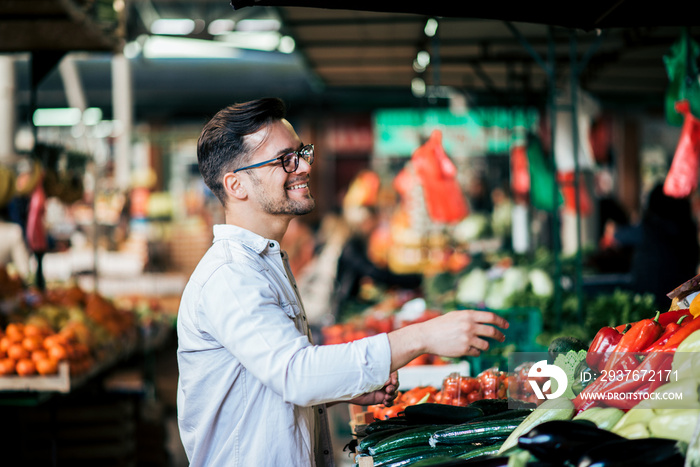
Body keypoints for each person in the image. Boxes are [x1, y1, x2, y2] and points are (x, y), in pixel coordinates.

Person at [176, 98, 509, 467]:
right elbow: (295, 373)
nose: (303, 166)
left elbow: (262, 385)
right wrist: (423, 336)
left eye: (301, 152)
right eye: (284, 159)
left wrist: (338, 391)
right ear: (237, 185)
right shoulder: (231, 276)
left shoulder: (264, 262)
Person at [609, 183, 700, 310]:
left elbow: (619, 236)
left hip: (646, 298)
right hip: (681, 300)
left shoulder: (650, 226)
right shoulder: (688, 229)